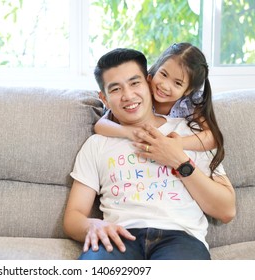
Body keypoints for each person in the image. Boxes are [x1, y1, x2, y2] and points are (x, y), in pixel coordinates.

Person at [63, 48, 235, 260]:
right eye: (115, 89)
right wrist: (91, 224)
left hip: (181, 240)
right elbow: (73, 217)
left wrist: (179, 160)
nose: (128, 95)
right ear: (104, 99)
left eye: (135, 83)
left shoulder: (192, 135)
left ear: (148, 82)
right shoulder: (97, 144)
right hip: (119, 237)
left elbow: (226, 210)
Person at [94, 43, 223, 176]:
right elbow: (100, 125)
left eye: (177, 83)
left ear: (188, 90)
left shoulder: (189, 104)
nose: (165, 86)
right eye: (164, 74)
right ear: (155, 71)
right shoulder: (141, 91)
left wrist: (177, 144)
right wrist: (128, 131)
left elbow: (212, 138)